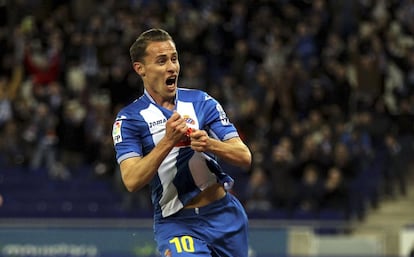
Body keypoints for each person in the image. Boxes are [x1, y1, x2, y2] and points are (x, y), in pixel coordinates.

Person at [112, 28, 252, 257]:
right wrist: (168, 141)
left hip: (225, 216)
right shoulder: (129, 119)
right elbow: (131, 180)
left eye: (174, 59)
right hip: (178, 224)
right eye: (161, 61)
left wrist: (209, 144)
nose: (171, 67)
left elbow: (244, 157)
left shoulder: (201, 101)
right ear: (140, 69)